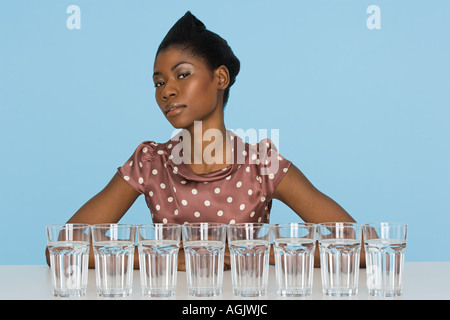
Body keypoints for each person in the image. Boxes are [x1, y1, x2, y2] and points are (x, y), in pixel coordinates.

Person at [45, 11, 363, 270]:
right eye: (158, 82)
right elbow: (61, 249)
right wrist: (166, 256)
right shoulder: (150, 163)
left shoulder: (261, 165)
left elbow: (362, 246)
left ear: (220, 78)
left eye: (182, 75)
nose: (166, 91)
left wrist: (259, 254)